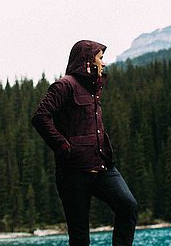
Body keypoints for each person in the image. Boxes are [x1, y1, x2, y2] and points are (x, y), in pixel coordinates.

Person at [31, 40, 138, 246]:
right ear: (88, 60)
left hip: (103, 166)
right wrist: (63, 146)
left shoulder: (93, 90)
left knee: (128, 206)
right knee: (80, 237)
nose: (103, 63)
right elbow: (40, 117)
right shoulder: (65, 85)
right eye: (100, 58)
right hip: (73, 172)